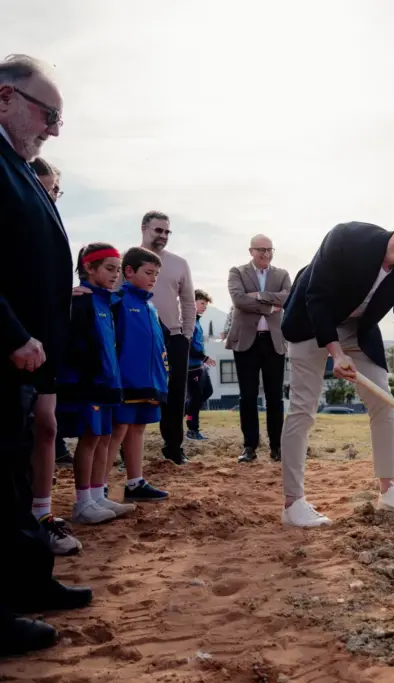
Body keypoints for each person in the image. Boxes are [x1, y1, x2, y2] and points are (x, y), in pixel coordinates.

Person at [0, 52, 91, 657]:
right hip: (6, 349)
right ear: (4, 98)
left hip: (25, 357)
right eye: (47, 113)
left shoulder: (18, 167)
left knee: (10, 474)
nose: (55, 128)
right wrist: (10, 332)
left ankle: (26, 582)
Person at [279, 208, 394, 527]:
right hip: (311, 322)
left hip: (357, 330)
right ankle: (293, 503)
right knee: (303, 408)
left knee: (383, 403)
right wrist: (335, 352)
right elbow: (316, 296)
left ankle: (388, 490)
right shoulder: (347, 238)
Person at [56, 243, 136, 529]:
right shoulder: (79, 302)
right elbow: (74, 346)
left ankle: (97, 494)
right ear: (89, 268)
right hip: (90, 383)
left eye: (118, 270)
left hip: (108, 383)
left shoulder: (106, 302)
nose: (116, 275)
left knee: (103, 438)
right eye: (109, 269)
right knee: (90, 440)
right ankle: (82, 502)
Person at [122, 211, 196, 466]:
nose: (163, 236)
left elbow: (188, 301)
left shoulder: (179, 263)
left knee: (175, 395)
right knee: (131, 391)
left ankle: (174, 448)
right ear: (144, 228)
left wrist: (186, 335)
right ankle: (125, 455)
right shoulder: (127, 260)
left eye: (167, 232)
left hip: (174, 337)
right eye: (158, 230)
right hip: (136, 338)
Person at [106, 247, 170, 502]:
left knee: (138, 428)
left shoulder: (151, 307)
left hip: (148, 382)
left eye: (156, 274)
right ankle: (99, 485)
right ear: (129, 271)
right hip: (124, 381)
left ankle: (135, 482)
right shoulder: (117, 302)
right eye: (148, 273)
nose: (153, 278)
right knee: (117, 429)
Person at [226, 235, 291, 463]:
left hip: (273, 341)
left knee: (275, 398)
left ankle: (277, 446)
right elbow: (239, 300)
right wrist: (270, 306)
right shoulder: (237, 272)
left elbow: (288, 298)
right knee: (248, 397)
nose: (265, 253)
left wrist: (260, 296)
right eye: (260, 249)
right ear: (251, 251)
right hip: (246, 341)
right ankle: (249, 447)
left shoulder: (282, 274)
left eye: (269, 249)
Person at [28, 158, 74, 471]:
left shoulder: (50, 221)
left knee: (46, 424)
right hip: (23, 332)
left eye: (57, 190)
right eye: (50, 188)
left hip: (46, 335)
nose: (54, 194)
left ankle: (40, 505)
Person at [185, 289, 216, 441]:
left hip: (200, 366)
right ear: (193, 302)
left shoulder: (197, 320)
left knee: (207, 392)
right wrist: (204, 358)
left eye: (206, 304)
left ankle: (187, 408)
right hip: (192, 367)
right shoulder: (189, 321)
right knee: (196, 398)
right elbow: (188, 347)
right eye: (202, 303)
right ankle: (192, 430)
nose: (204, 307)